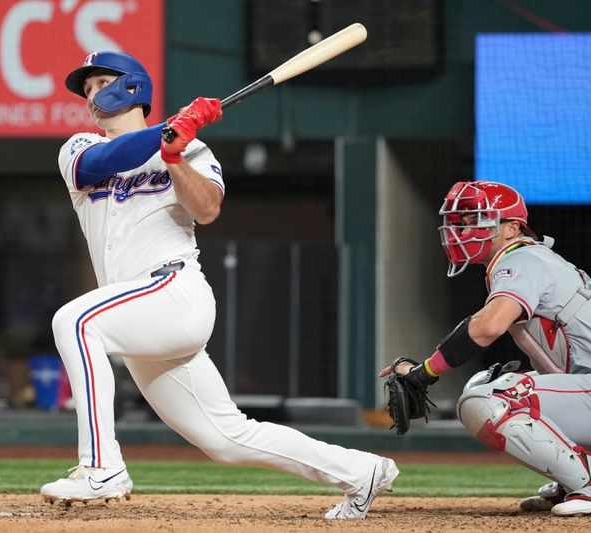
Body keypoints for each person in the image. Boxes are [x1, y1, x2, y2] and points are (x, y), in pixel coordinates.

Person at [39, 50, 398, 520]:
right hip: (133, 314)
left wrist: (174, 154)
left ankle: (101, 466)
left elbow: (207, 209)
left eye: (99, 81)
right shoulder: (79, 147)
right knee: (225, 437)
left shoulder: (191, 149)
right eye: (85, 89)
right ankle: (362, 470)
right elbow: (105, 160)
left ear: (132, 86)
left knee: (74, 320)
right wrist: (173, 128)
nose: (90, 95)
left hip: (173, 291)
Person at [379, 181, 591, 517]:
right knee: (483, 388)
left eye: (474, 220)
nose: (461, 230)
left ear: (512, 228)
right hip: (586, 386)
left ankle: (587, 482)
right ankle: (572, 481)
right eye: (459, 221)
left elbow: (487, 326)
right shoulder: (529, 260)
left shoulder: (523, 258)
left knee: (490, 400)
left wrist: (425, 373)